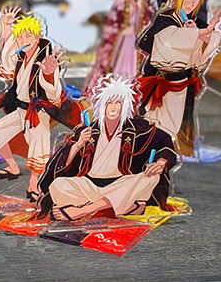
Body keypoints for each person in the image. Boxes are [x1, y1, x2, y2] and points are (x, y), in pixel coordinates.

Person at [38, 75, 176, 221]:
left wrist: (161, 163)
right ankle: (129, 207)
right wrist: (78, 144)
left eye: (119, 103)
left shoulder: (137, 129)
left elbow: (164, 141)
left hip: (122, 184)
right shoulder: (87, 130)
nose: (113, 107)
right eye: (109, 102)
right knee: (58, 185)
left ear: (126, 106)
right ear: (101, 105)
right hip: (90, 186)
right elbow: (61, 165)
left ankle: (85, 210)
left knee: (150, 177)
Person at [0, 8, 75, 201]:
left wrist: (49, 73)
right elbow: (5, 68)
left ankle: (34, 184)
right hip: (20, 108)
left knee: (38, 146)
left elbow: (53, 92)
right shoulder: (21, 54)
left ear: (37, 36)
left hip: (39, 111)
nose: (23, 41)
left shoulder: (46, 57)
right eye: (20, 38)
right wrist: (6, 27)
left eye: (28, 36)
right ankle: (13, 167)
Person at [136, 0, 220, 155]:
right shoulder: (165, 18)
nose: (191, 3)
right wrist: (193, 35)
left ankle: (175, 154)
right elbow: (155, 42)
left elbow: (201, 55)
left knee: (179, 126)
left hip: (184, 83)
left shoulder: (195, 21)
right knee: (157, 127)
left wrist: (199, 35)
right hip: (162, 82)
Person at [83, 0, 157, 96]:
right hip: (121, 45)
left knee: (135, 73)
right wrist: (122, 32)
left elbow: (151, 24)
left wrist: (137, 29)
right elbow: (112, 24)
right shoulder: (122, 0)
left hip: (138, 46)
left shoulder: (147, 2)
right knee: (117, 73)